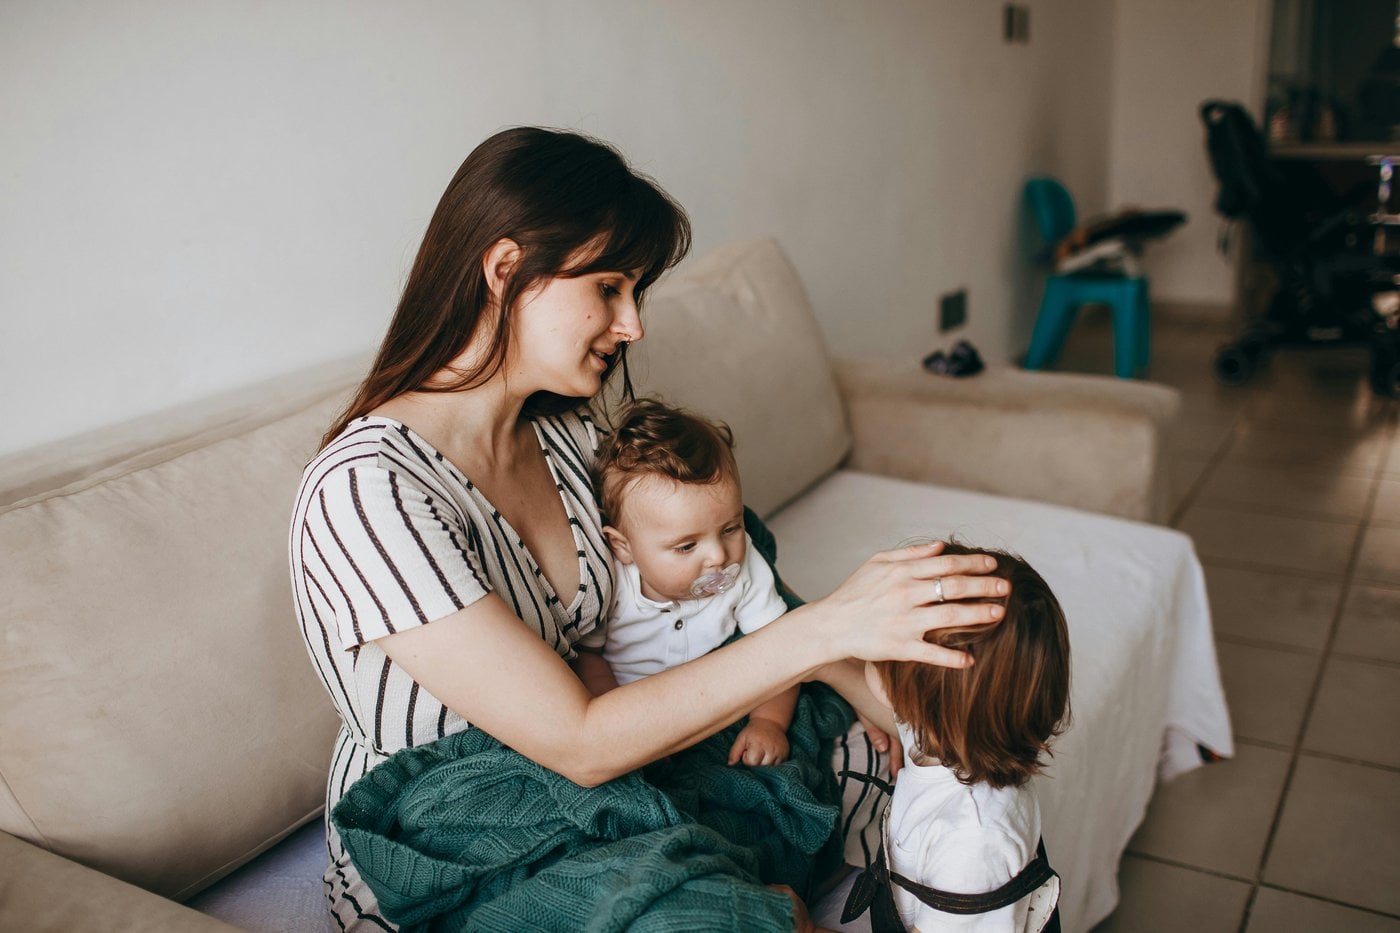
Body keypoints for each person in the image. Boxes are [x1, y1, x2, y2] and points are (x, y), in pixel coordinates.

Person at [289, 126, 1008, 931]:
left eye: (636, 292)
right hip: (465, 824)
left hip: (604, 778)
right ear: (503, 270)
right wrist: (826, 626)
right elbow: (580, 741)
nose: (632, 325)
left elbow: (729, 570)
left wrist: (877, 697)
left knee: (873, 734)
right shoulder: (369, 490)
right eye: (608, 288)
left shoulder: (566, 438)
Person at [841, 542, 1071, 933]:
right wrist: (815, 663)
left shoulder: (974, 841)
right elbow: (884, 705)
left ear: (918, 700)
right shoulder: (954, 732)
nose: (870, 643)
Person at [577, 397, 798, 768]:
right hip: (637, 711)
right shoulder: (612, 584)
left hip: (719, 704)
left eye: (731, 528)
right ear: (624, 547)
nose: (718, 556)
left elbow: (784, 651)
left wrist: (768, 722)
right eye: (686, 546)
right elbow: (588, 658)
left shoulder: (746, 569)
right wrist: (621, 725)